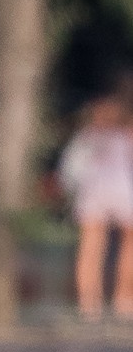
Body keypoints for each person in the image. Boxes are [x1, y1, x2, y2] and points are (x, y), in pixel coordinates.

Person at [58, 82, 133, 320]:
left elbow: (68, 171)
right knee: (91, 249)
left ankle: (122, 300)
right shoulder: (87, 137)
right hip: (100, 194)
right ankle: (91, 303)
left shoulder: (121, 134)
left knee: (120, 249)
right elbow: (70, 171)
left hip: (117, 193)